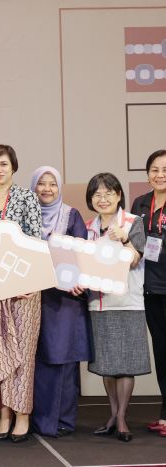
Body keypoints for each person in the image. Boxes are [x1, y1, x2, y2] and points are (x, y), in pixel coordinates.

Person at [0, 144, 42, 443]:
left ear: (13, 166)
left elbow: (36, 241)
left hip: (24, 287)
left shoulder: (27, 197)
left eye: (3, 164)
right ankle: (4, 414)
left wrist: (31, 280)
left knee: (23, 353)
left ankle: (22, 414)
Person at [84, 172, 149, 442]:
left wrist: (123, 238)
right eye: (97, 194)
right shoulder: (88, 227)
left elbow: (134, 259)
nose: (103, 199)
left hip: (127, 302)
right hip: (98, 303)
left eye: (109, 193)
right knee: (107, 364)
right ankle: (112, 414)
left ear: (119, 195)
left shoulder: (133, 222)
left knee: (126, 364)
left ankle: (122, 417)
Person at [28, 166, 91, 437]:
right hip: (32, 296)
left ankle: (62, 420)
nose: (47, 189)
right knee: (36, 360)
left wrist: (75, 280)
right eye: (41, 183)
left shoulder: (71, 215)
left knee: (63, 359)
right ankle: (37, 419)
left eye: (52, 184)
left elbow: (81, 253)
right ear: (33, 186)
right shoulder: (25, 216)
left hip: (65, 299)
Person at [132, 149, 166, 437]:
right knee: (162, 352)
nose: (160, 174)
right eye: (155, 169)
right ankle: (165, 415)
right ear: (147, 174)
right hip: (150, 288)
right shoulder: (140, 203)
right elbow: (135, 242)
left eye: (165, 170)